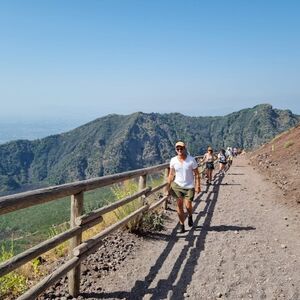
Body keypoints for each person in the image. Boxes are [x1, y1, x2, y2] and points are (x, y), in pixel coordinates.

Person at [166, 141, 201, 233]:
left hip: (189, 186)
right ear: (175, 150)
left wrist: (198, 186)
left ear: (185, 149)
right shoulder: (173, 160)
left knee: (188, 205)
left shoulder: (191, 160)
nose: (179, 150)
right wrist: (168, 187)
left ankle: (190, 215)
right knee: (179, 205)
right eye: (177, 149)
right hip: (177, 185)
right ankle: (182, 225)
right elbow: (171, 174)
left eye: (181, 148)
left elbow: (197, 174)